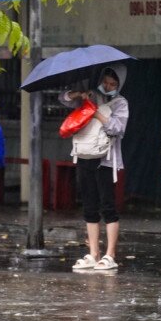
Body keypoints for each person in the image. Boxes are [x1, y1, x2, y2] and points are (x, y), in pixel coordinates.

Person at [60, 64, 129, 271]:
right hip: (83, 155)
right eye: (105, 82)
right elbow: (62, 99)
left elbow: (118, 128)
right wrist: (78, 96)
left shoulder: (121, 103)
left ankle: (110, 254)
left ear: (119, 85)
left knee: (108, 205)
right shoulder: (89, 95)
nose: (108, 86)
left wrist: (95, 111)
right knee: (89, 205)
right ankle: (93, 253)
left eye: (113, 84)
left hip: (106, 159)